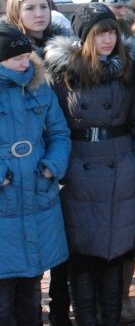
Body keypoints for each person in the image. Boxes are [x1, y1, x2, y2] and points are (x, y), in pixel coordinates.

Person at [44, 3, 135, 325]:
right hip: (79, 168)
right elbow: (53, 125)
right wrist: (62, 167)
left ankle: (111, 318)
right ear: (84, 37)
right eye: (99, 34)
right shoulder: (64, 74)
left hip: (121, 166)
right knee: (83, 255)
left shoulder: (127, 68)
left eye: (111, 32)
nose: (107, 39)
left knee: (115, 253)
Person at [0, 23, 71, 325]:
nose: (24, 61)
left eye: (27, 55)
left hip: (38, 193)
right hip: (6, 196)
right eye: (16, 57)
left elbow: (59, 132)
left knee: (32, 287)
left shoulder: (39, 84)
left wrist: (52, 165)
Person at [5, 0, 73, 57]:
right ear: (15, 13)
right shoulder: (10, 52)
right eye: (30, 8)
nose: (39, 14)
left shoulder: (69, 46)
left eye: (43, 7)